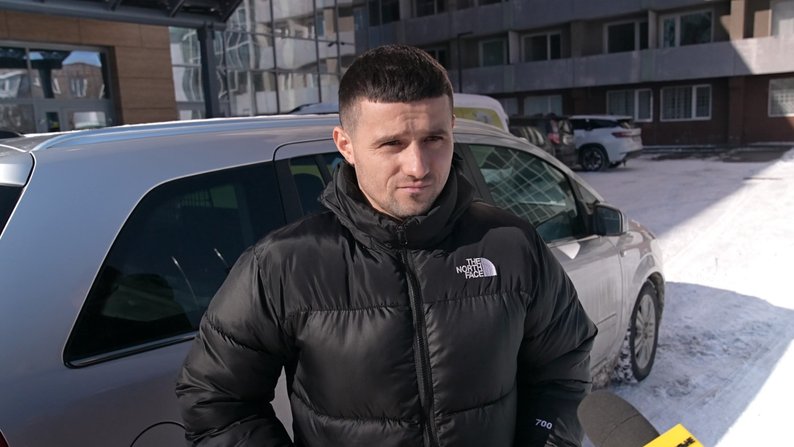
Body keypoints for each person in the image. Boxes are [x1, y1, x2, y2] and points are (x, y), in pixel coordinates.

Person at [176, 44, 597, 447]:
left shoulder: (510, 244)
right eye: (392, 143)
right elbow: (215, 398)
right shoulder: (283, 263)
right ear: (346, 145)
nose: (418, 166)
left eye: (434, 139)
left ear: (452, 130)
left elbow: (563, 366)